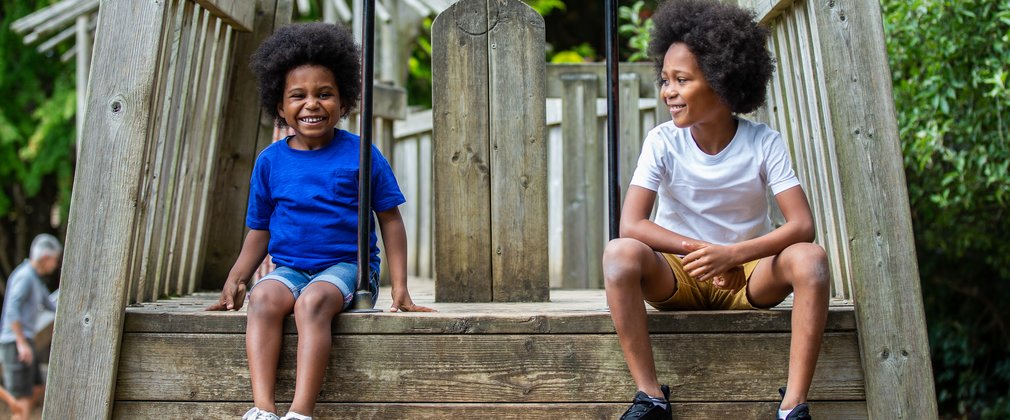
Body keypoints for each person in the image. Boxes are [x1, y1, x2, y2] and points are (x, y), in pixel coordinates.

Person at [602, 1, 830, 419]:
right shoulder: (662, 141)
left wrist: (734, 255)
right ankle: (650, 398)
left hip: (748, 276)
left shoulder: (763, 142)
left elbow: (802, 225)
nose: (668, 91)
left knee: (811, 260)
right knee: (619, 253)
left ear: (724, 82)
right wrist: (703, 252)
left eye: (682, 80)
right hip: (678, 274)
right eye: (665, 79)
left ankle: (793, 407)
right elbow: (631, 224)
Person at [207, 22, 433, 420]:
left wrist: (401, 288)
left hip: (347, 268)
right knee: (262, 299)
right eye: (298, 96)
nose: (311, 104)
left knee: (311, 304)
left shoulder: (361, 154)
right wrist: (237, 278)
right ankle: (262, 408)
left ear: (343, 101)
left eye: (324, 94)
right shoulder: (270, 162)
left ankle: (300, 413)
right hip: (290, 267)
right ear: (280, 107)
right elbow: (260, 230)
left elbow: (391, 221)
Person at [0, 233, 61, 420]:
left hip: (26, 340)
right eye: (55, 260)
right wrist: (21, 343)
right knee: (23, 400)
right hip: (15, 341)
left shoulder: (35, 279)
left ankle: (16, 408)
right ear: (45, 258)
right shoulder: (25, 277)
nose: (56, 265)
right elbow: (12, 310)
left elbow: (52, 306)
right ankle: (16, 407)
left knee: (36, 388)